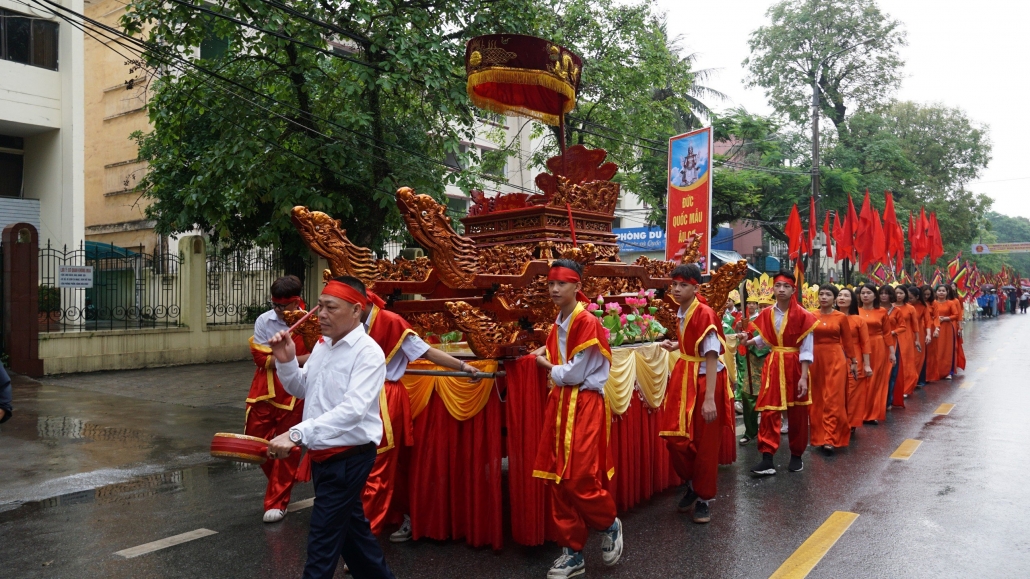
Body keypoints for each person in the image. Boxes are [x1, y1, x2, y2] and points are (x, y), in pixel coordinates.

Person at [267, 276, 394, 579]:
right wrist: (286, 362)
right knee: (355, 539)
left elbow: (351, 411)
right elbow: (302, 388)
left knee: (322, 541)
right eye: (320, 306)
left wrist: (296, 433)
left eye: (331, 308)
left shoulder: (368, 352)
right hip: (323, 455)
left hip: (349, 456)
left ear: (356, 310)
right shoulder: (323, 346)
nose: (321, 315)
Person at [358, 290, 480, 541]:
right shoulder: (345, 324)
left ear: (359, 303)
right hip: (354, 397)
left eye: (333, 305)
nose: (327, 312)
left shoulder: (391, 322)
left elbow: (426, 352)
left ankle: (364, 541)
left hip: (383, 397)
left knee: (378, 464)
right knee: (356, 464)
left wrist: (463, 366)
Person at [530, 259, 622, 579]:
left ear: (576, 286)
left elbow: (574, 373)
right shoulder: (558, 322)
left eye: (562, 284)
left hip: (583, 403)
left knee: (579, 476)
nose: (555, 289)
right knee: (557, 479)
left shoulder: (586, 322)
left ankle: (609, 524)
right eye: (551, 284)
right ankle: (572, 552)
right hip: (560, 404)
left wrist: (544, 365)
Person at [659, 264, 730, 523]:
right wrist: (677, 344)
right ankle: (692, 482)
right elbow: (696, 342)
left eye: (683, 285)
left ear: (695, 287)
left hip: (704, 381)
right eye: (674, 285)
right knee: (674, 438)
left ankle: (704, 498)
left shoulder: (705, 313)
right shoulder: (683, 310)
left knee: (705, 443)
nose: (677, 290)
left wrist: (710, 398)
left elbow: (711, 355)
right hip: (685, 376)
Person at [246, 275, 311, 523]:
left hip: (295, 391)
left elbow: (319, 356)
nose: (278, 310)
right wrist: (291, 357)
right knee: (257, 442)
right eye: (275, 305)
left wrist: (285, 359)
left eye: (283, 306)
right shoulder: (265, 320)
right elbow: (260, 359)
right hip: (264, 389)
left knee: (287, 446)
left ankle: (276, 501)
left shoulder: (312, 323)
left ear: (297, 302)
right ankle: (283, 480)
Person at [746, 271, 818, 476]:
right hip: (773, 364)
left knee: (797, 412)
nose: (781, 290)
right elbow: (766, 337)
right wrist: (749, 340)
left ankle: (796, 455)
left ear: (793, 290)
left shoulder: (804, 316)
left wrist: (804, 377)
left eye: (786, 286)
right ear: (773, 289)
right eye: (777, 285)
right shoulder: (767, 312)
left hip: (794, 365)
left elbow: (807, 349)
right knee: (769, 411)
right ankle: (767, 458)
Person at [808, 285, 855, 453]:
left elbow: (848, 342)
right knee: (817, 399)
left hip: (836, 358)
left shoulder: (841, 317)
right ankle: (818, 437)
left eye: (828, 294)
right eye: (821, 294)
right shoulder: (810, 315)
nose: (824, 297)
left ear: (834, 298)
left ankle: (830, 438)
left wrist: (854, 362)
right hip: (815, 359)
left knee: (833, 399)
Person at [736, 281, 771, 446]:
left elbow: (770, 341)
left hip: (765, 362)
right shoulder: (744, 319)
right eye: (749, 302)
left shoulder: (770, 318)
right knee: (747, 397)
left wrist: (754, 346)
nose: (751, 305)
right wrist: (739, 331)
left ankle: (767, 432)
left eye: (755, 303)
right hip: (748, 363)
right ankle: (750, 431)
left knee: (767, 400)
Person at [836, 288, 872, 430]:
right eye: (839, 295)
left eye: (846, 295)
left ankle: (850, 423)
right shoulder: (829, 317)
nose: (842, 298)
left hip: (854, 358)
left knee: (852, 393)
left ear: (852, 300)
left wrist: (867, 365)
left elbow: (865, 344)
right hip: (834, 357)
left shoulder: (858, 320)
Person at [858, 284, 893, 424]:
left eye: (868, 293)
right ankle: (858, 412)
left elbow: (887, 333)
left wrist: (892, 352)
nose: (865, 295)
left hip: (878, 347)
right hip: (859, 347)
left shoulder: (882, 311)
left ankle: (872, 414)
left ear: (874, 296)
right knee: (860, 379)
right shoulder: (855, 310)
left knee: (875, 381)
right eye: (863, 293)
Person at [889, 285, 920, 409]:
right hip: (891, 338)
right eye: (896, 293)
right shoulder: (888, 308)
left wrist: (917, 340)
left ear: (905, 295)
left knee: (906, 363)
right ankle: (894, 390)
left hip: (906, 338)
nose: (898, 295)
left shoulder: (910, 308)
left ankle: (906, 388)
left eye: (901, 293)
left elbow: (915, 326)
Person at [930, 284, 960, 381]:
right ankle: (935, 371)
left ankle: (947, 372)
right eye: (939, 291)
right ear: (936, 292)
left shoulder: (951, 303)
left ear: (947, 292)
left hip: (947, 328)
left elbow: (956, 315)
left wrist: (946, 318)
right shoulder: (932, 303)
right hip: (935, 328)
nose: (941, 293)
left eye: (943, 291)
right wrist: (936, 319)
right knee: (936, 349)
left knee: (946, 350)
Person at [907, 286, 932, 389]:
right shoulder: (901, 305)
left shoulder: (923, 306)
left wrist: (929, 334)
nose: (909, 300)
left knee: (918, 357)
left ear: (917, 297)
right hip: (905, 334)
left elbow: (927, 321)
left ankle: (916, 379)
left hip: (918, 334)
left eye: (911, 298)